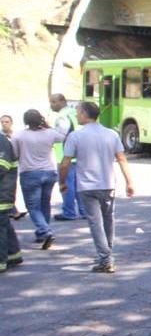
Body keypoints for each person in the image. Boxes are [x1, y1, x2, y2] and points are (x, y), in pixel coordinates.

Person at [59, 102, 135, 273]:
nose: (77, 116)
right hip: (108, 184)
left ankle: (105, 258)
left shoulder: (75, 136)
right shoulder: (111, 134)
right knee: (108, 219)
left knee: (95, 222)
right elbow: (122, 159)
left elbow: (65, 163)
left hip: (87, 186)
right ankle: (107, 253)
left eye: (78, 113)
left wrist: (62, 182)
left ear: (85, 114)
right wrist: (129, 182)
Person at [12, 109, 67, 249]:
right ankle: (42, 233)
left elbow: (15, 154)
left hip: (29, 173)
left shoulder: (19, 136)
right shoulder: (50, 133)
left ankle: (45, 231)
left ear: (26, 122)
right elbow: (63, 137)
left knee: (33, 207)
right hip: (49, 172)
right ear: (41, 120)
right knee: (45, 203)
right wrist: (48, 126)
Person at [50, 94, 85, 221]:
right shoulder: (75, 113)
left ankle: (69, 212)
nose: (51, 105)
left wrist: (47, 132)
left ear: (62, 101)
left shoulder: (62, 117)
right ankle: (84, 210)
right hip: (78, 155)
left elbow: (60, 136)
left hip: (65, 156)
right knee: (78, 186)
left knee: (66, 185)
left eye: (53, 102)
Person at [0, 128, 22, 273]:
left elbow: (2, 166)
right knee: (4, 224)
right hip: (4, 192)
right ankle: (13, 255)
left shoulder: (1, 141)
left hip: (2, 193)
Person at [0, 115, 26, 220]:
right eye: (2, 122)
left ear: (11, 123)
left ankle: (13, 210)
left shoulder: (16, 135)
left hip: (16, 164)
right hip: (8, 167)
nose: (4, 124)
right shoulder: (1, 137)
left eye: (7, 122)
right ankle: (14, 211)